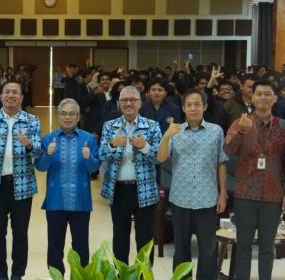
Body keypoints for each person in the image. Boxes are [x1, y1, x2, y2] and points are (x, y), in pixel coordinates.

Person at [223, 80, 285, 280]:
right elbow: (228, 150)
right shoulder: (240, 123)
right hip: (245, 193)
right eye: (259, 94)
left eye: (267, 94)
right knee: (243, 246)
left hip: (273, 195)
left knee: (267, 247)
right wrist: (242, 132)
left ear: (275, 98)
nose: (263, 97)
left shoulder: (283, 126)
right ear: (252, 97)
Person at [0, 80, 43, 280]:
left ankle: (17, 275)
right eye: (7, 92)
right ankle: (0, 275)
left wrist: (29, 144)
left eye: (15, 92)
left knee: (20, 234)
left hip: (22, 186)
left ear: (21, 97)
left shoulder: (32, 120)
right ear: (1, 96)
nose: (11, 95)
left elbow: (39, 150)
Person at [156, 88, 227, 280]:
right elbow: (161, 158)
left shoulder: (216, 131)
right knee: (181, 247)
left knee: (208, 247)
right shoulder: (175, 131)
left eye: (197, 104)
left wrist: (222, 194)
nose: (193, 108)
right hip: (181, 199)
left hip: (207, 198)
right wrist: (167, 136)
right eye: (189, 105)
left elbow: (221, 162)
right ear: (183, 108)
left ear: (204, 106)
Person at [35, 98, 101, 275]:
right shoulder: (49, 139)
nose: (67, 117)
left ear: (78, 116)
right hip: (55, 202)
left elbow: (95, 168)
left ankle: (80, 277)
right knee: (55, 247)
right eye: (63, 113)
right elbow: (40, 167)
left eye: (72, 114)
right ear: (58, 116)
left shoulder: (89, 139)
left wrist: (88, 158)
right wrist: (48, 154)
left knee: (81, 247)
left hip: (81, 202)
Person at [99, 86, 162, 264]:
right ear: (119, 103)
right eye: (124, 100)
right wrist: (113, 145)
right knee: (120, 238)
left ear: (140, 103)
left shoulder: (152, 126)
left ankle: (144, 276)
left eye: (132, 100)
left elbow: (159, 157)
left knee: (145, 239)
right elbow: (101, 155)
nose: (128, 104)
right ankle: (121, 275)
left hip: (144, 190)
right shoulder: (110, 126)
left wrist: (144, 146)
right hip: (118, 190)